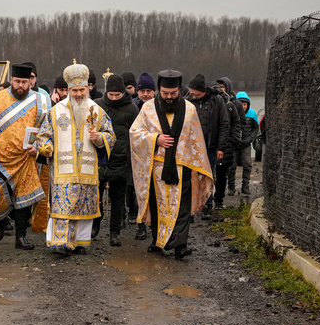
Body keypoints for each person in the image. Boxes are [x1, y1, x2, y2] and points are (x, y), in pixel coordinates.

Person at [130, 70, 213, 260]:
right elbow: (134, 134)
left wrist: (197, 165)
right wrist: (155, 139)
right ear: (159, 90)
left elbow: (196, 138)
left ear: (179, 90)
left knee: (181, 208)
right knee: (157, 205)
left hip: (182, 167)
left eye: (173, 93)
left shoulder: (190, 109)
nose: (169, 97)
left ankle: (180, 246)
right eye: (165, 93)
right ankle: (157, 241)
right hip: (156, 167)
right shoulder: (147, 108)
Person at [35, 61, 115, 255]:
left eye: (82, 89)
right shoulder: (55, 112)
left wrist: (100, 138)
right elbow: (43, 136)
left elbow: (111, 136)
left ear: (88, 88)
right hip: (62, 169)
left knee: (84, 206)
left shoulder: (97, 111)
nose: (78, 94)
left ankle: (79, 242)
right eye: (74, 90)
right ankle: (60, 243)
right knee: (63, 206)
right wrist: (46, 147)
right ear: (68, 90)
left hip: (87, 169)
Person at [0, 63, 49, 250]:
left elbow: (46, 130)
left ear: (30, 81)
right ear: (11, 80)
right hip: (1, 157)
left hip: (26, 157)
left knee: (24, 198)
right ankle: (0, 223)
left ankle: (20, 237)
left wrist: (37, 147)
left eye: (24, 82)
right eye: (17, 81)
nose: (20, 85)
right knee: (0, 195)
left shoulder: (40, 101)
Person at [95, 74, 139, 247]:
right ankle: (94, 225)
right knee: (95, 195)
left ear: (123, 93)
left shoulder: (132, 109)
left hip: (121, 160)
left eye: (117, 95)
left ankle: (115, 231)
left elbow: (136, 134)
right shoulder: (98, 105)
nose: (113, 98)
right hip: (100, 158)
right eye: (111, 95)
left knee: (118, 198)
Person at [186, 74, 229, 216]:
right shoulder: (188, 102)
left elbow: (224, 124)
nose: (191, 92)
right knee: (190, 176)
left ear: (201, 90)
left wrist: (221, 147)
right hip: (191, 147)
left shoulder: (217, 101)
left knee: (208, 175)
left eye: (193, 90)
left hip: (210, 146)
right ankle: (191, 205)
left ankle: (207, 203)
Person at [213, 77, 242, 205]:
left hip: (226, 145)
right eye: (218, 86)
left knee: (222, 174)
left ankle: (218, 200)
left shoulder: (231, 106)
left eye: (223, 86)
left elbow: (238, 123)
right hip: (211, 144)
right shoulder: (211, 104)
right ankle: (207, 202)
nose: (220, 89)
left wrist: (233, 140)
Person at [234, 91, 260, 194]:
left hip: (246, 143)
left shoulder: (252, 114)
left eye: (245, 104)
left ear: (247, 104)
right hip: (234, 143)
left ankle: (245, 186)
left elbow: (256, 128)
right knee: (232, 166)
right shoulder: (232, 112)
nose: (243, 107)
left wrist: (251, 139)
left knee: (248, 164)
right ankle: (231, 186)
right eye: (241, 104)